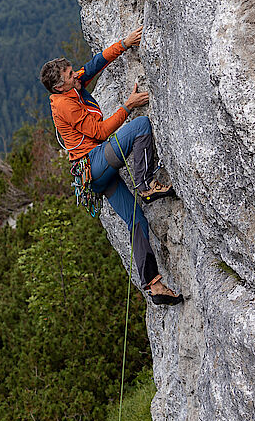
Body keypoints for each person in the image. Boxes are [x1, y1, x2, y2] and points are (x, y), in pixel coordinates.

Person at [40, 27, 183, 306]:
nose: (75, 74)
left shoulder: (71, 87)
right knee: (141, 126)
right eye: (70, 75)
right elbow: (102, 131)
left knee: (136, 221)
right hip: (94, 165)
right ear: (59, 87)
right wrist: (128, 106)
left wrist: (124, 44)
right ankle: (146, 186)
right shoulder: (66, 106)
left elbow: (93, 65)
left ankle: (153, 285)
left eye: (71, 70)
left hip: (95, 174)